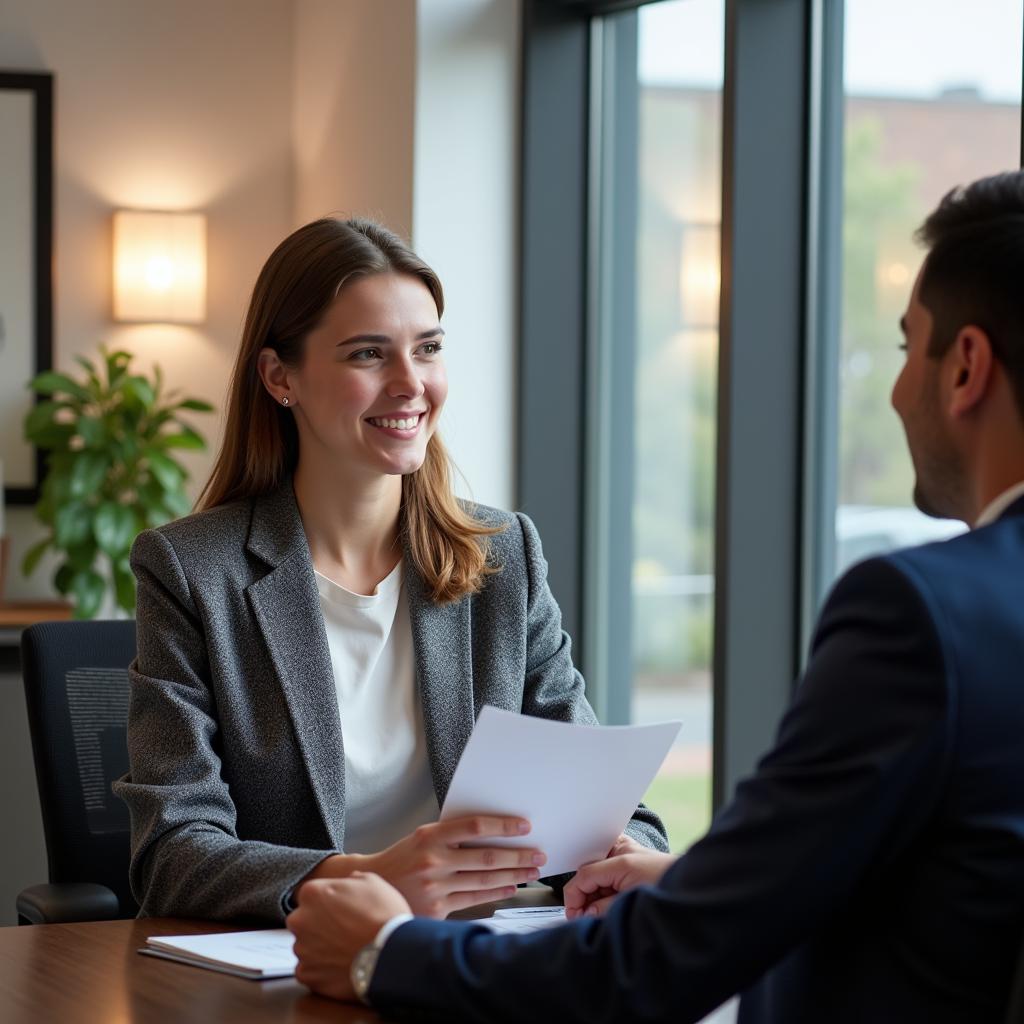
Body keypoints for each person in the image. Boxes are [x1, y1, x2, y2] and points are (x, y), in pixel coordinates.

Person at [286, 172, 1024, 1023]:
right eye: (368, 351)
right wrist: (700, 889)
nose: (897, 393)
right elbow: (956, 886)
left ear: (964, 366)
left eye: (905, 350)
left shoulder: (923, 613)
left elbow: (647, 972)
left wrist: (386, 954)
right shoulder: (195, 567)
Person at [113, 218, 667, 925]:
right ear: (281, 377)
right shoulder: (193, 571)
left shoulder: (504, 557)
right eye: (368, 354)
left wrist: (621, 855)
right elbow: (171, 854)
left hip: (481, 957)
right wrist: (369, 879)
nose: (410, 384)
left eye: (428, 349)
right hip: (297, 967)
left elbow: (614, 808)